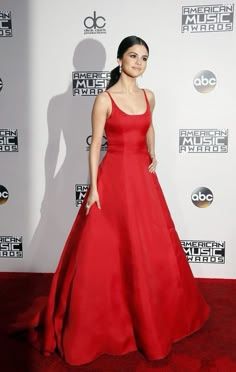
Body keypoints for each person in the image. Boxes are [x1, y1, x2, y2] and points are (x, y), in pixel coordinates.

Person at [9, 35, 210, 367]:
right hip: (113, 178)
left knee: (149, 249)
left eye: (144, 58)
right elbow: (93, 146)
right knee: (105, 252)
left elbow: (149, 127)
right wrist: (95, 189)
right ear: (120, 60)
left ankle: (152, 318)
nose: (139, 63)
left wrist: (153, 154)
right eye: (133, 56)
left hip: (143, 181)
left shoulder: (149, 96)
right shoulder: (104, 99)